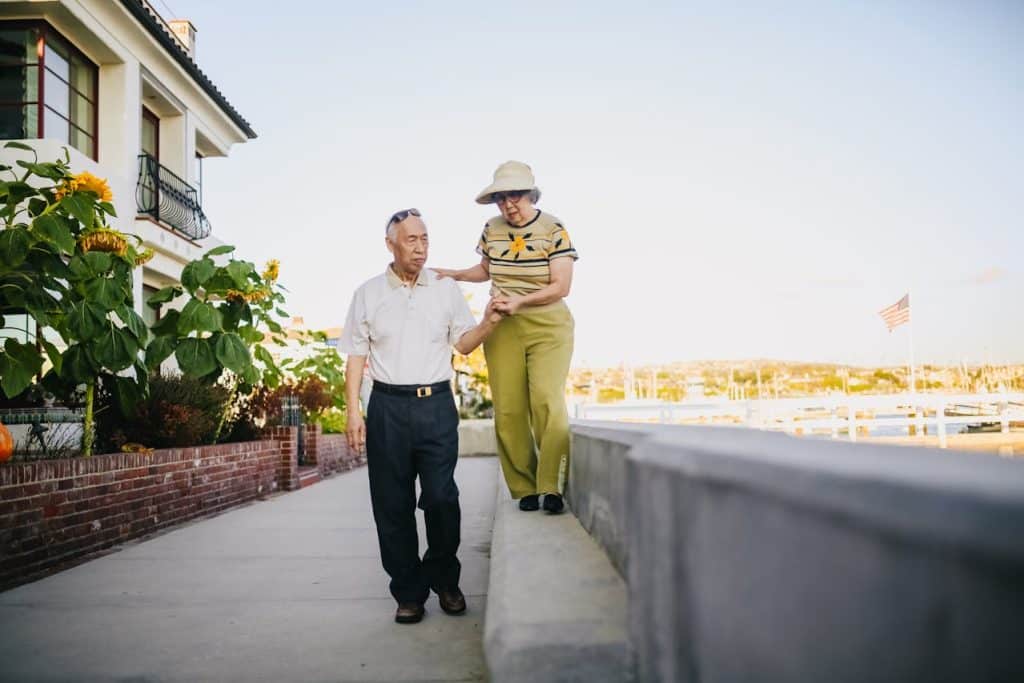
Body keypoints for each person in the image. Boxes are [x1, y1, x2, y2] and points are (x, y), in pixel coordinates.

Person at [341, 208, 501, 624]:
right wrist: (353, 413)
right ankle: (408, 592)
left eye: (425, 238)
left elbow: (463, 345)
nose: (421, 246)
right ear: (390, 243)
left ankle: (446, 581)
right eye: (411, 239)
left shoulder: (445, 290)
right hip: (387, 408)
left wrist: (487, 323)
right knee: (392, 506)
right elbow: (356, 357)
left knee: (442, 497)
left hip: (436, 406)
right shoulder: (368, 293)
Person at [435, 161, 578, 515]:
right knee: (510, 409)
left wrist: (521, 301)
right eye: (501, 198)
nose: (508, 205)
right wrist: (454, 274)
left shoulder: (554, 228)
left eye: (514, 196)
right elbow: (486, 270)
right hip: (502, 327)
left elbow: (562, 286)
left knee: (546, 398)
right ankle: (524, 487)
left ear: (530, 193)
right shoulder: (492, 229)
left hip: (548, 326)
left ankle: (551, 486)